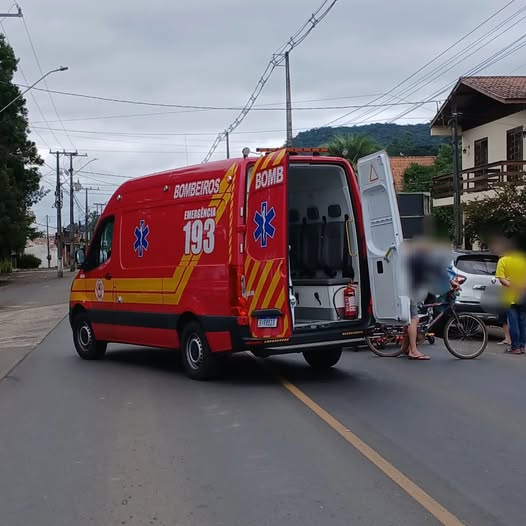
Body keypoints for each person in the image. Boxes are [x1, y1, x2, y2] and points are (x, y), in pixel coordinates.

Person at [493, 237, 526, 355]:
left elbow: (501, 279)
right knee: (523, 321)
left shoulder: (503, 261)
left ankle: (515, 347)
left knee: (513, 322)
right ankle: (523, 346)